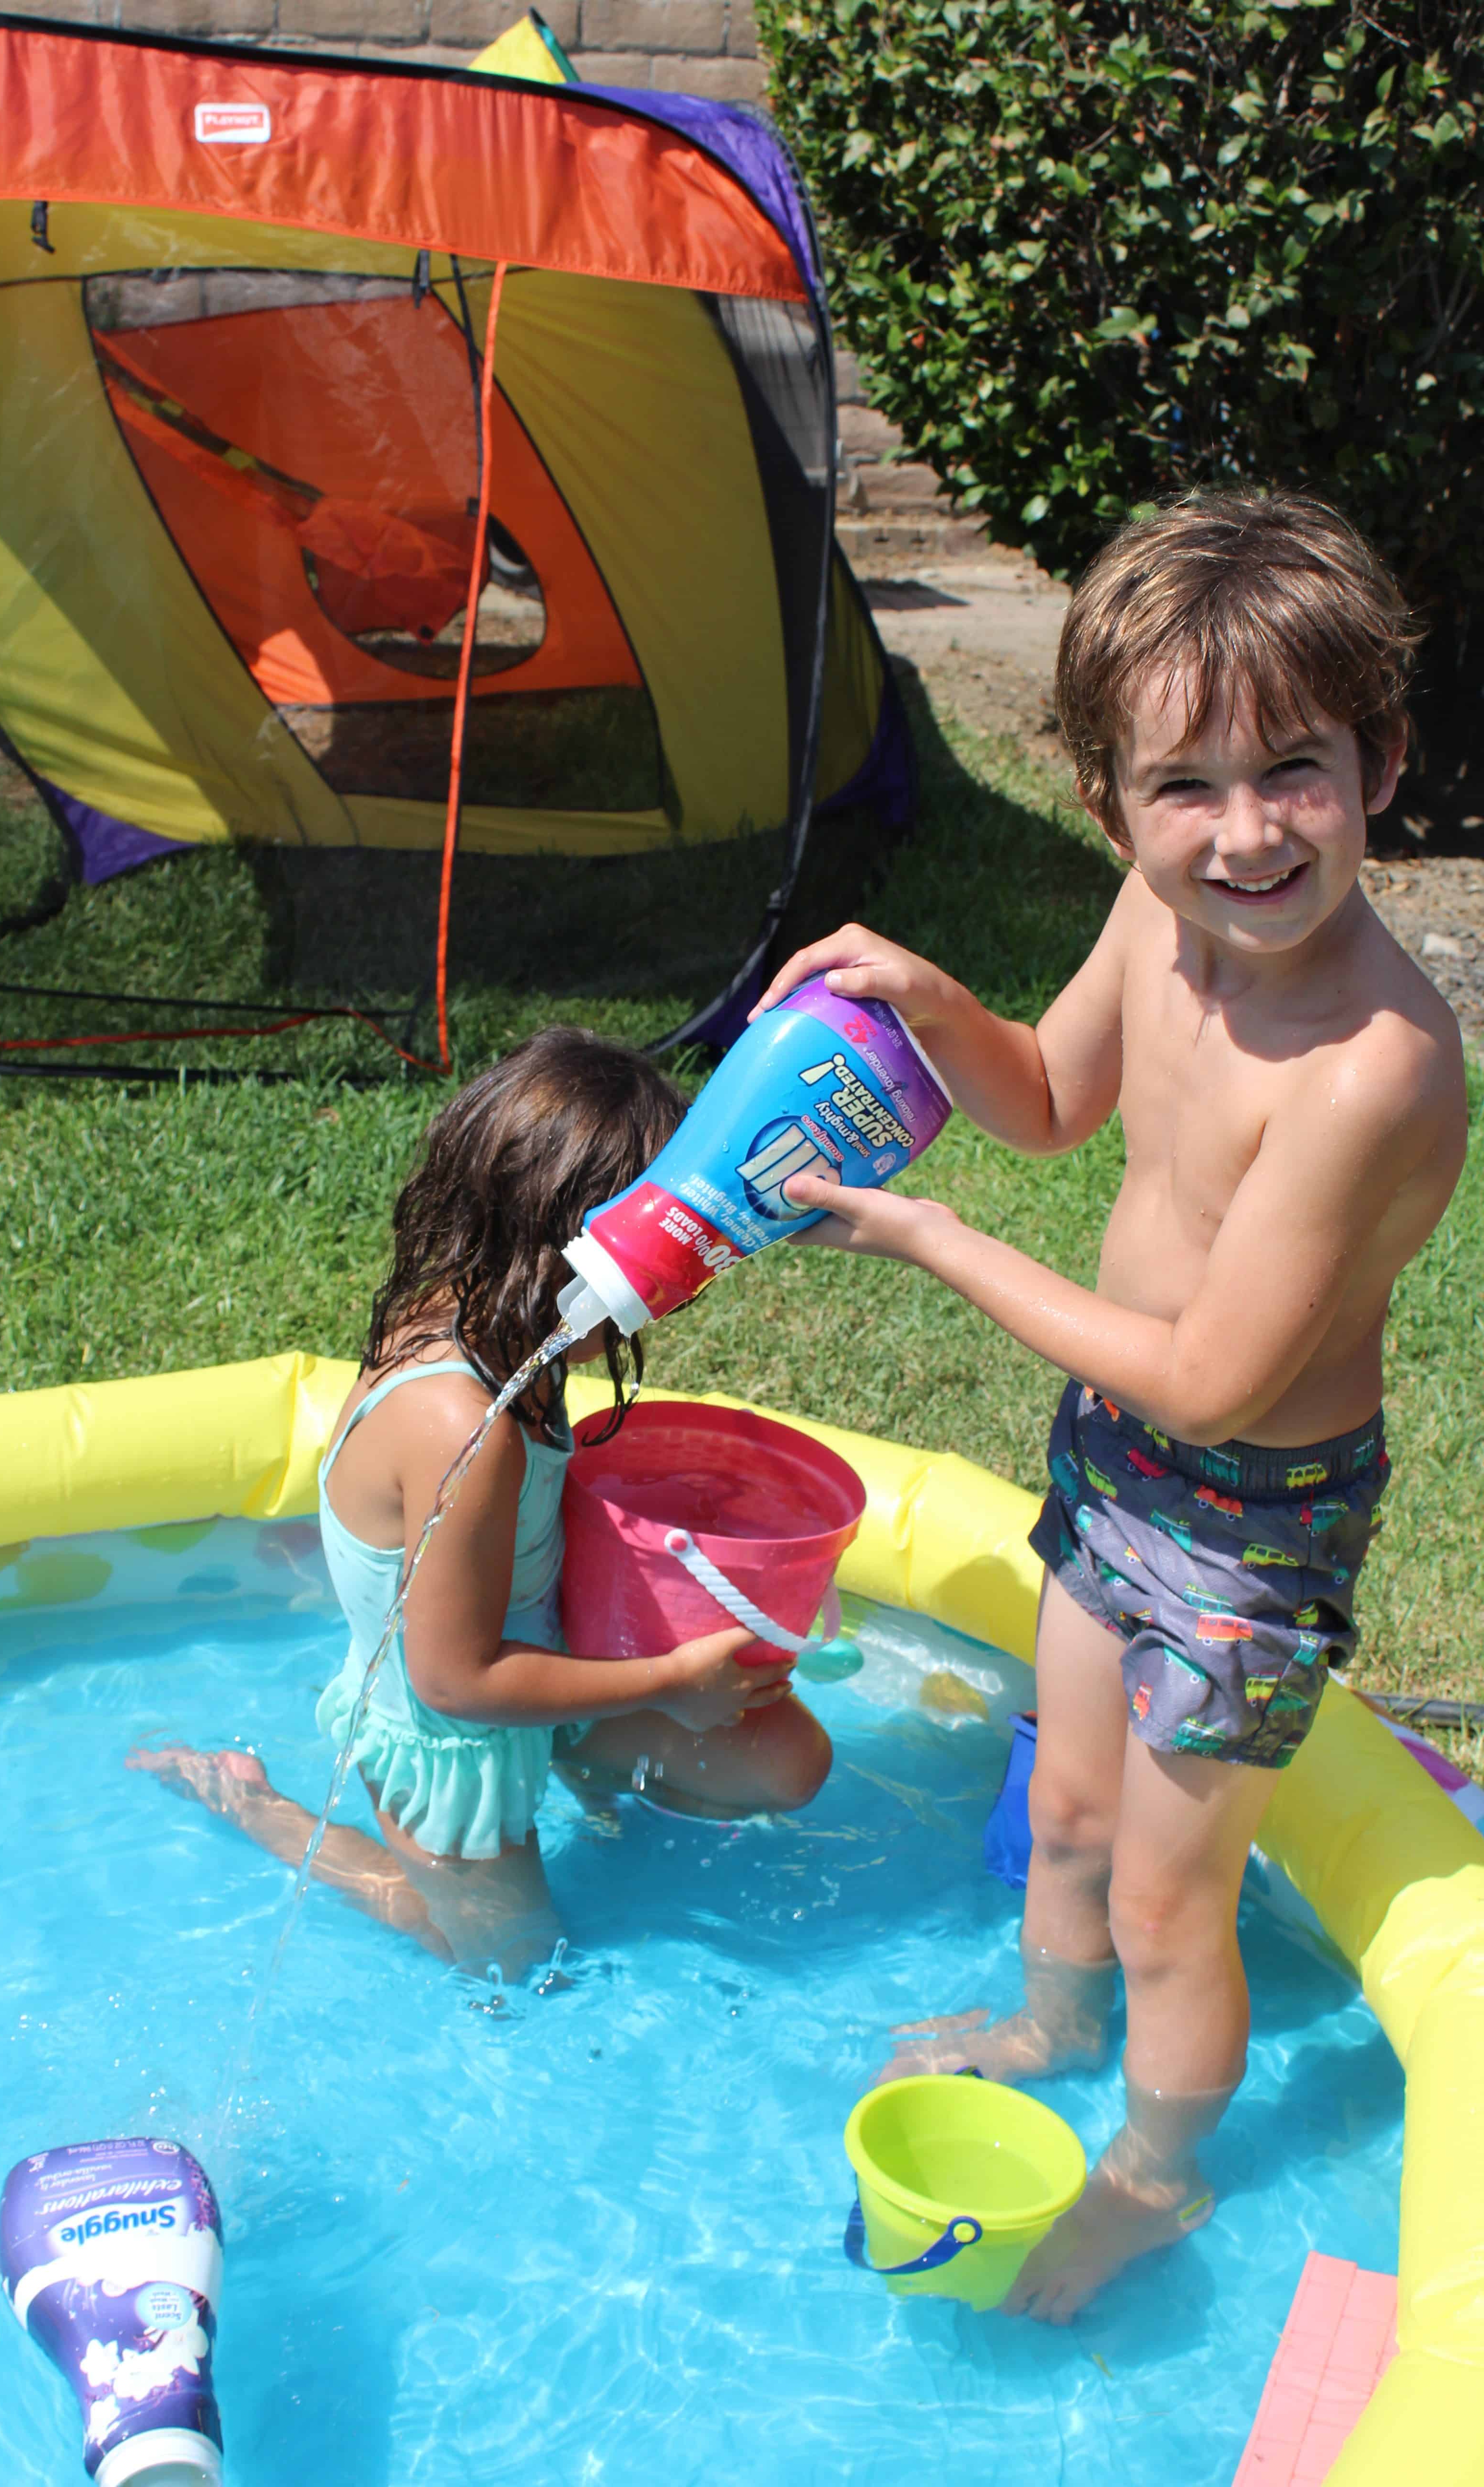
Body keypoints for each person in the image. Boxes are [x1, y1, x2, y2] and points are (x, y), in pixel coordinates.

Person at [753, 490, 1468, 2320]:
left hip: (1247, 1517)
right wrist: (926, 999)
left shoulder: (1368, 1067)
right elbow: (1050, 1101)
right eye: (1184, 788)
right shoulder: (1155, 926)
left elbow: (1217, 1377)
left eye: (1291, 771)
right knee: (1065, 1812)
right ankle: (1043, 2021)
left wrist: (924, 1237)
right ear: (1110, 806)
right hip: (1114, 1460)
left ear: (1377, 760)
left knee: (1171, 1897)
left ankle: (1154, 2174)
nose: (1242, 831)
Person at [130, 1026, 832, 1981]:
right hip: (453, 1745)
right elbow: (456, 1681)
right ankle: (258, 1806)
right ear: (564, 1246)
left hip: (540, 1674)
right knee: (514, 1966)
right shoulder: (467, 1425)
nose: (666, 1291)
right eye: (661, 1256)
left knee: (786, 1761)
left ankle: (588, 1774)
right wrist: (674, 1681)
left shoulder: (501, 1323)